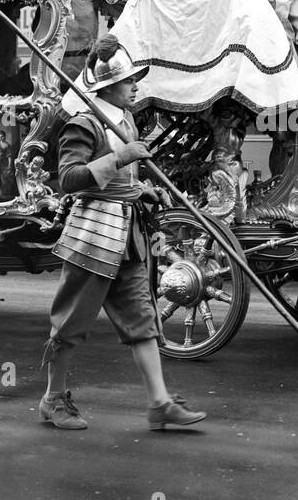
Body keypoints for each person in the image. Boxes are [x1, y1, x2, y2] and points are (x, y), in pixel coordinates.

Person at [38, 34, 207, 432]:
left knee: (142, 319)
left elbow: (123, 179)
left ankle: (160, 403)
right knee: (71, 323)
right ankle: (52, 399)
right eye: (129, 80)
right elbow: (69, 179)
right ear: (107, 85)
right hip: (93, 239)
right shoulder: (84, 124)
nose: (135, 85)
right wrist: (119, 158)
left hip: (128, 238)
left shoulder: (126, 119)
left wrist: (140, 188)